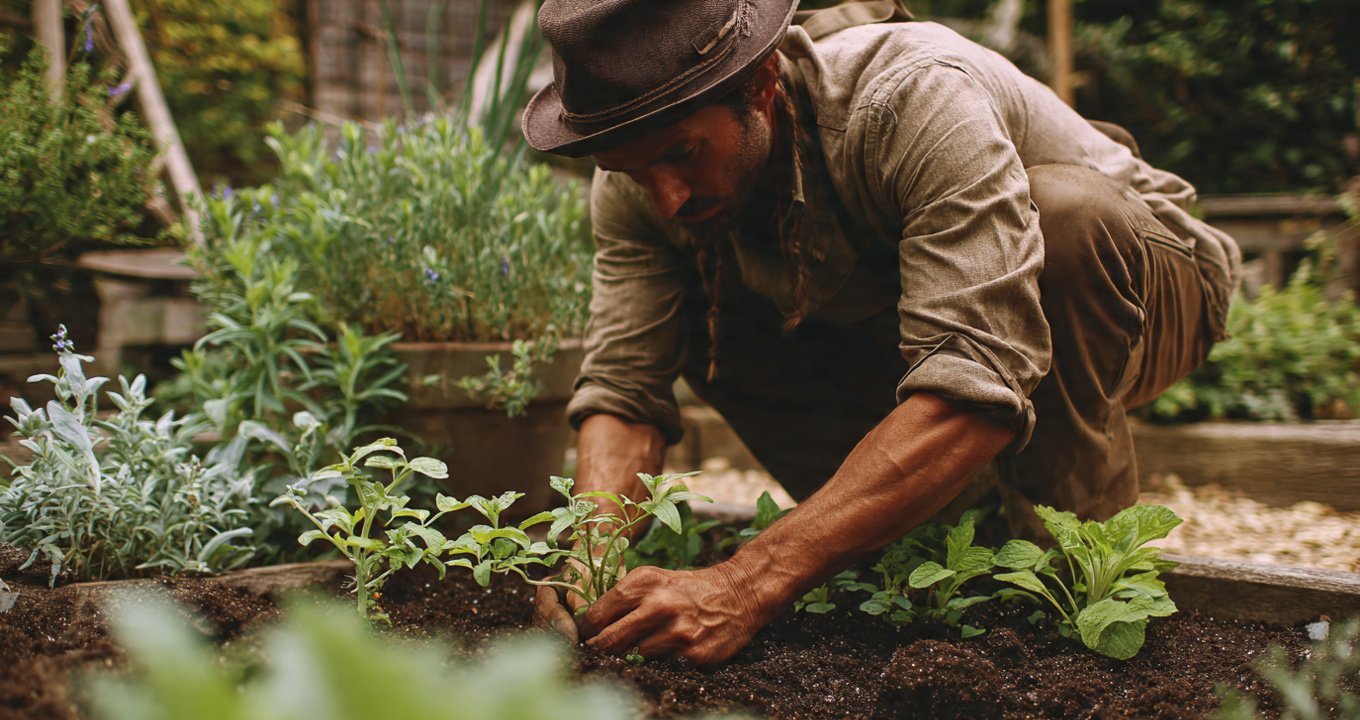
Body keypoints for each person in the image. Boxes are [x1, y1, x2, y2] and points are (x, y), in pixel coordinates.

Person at [521, 0, 1240, 665]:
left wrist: (746, 583)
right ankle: (929, 531)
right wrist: (590, 556)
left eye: (682, 153)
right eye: (633, 170)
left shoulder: (910, 95)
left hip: (1146, 286)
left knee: (1065, 218)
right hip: (892, 312)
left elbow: (976, 377)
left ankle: (1083, 581)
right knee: (705, 299)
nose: (665, 196)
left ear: (761, 84)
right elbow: (624, 385)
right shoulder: (637, 183)